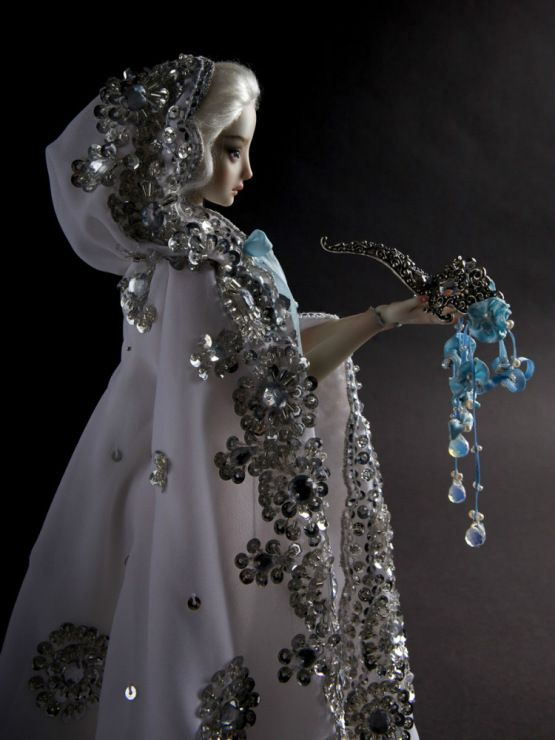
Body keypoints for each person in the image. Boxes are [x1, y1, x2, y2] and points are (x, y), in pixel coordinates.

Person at [0, 53, 461, 740]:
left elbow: (271, 356)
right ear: (185, 147)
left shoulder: (206, 247)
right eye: (230, 149)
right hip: (198, 485)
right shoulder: (189, 266)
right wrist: (380, 321)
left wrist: (388, 315)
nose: (245, 171)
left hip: (199, 471)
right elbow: (268, 384)